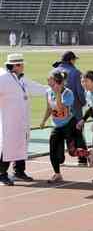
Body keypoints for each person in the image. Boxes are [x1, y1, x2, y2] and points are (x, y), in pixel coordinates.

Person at [0, 53, 48, 185]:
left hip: (21, 120)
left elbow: (35, 88)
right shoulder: (3, 78)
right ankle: (1, 173)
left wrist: (52, 90)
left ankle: (19, 172)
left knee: (20, 145)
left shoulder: (20, 78)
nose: (23, 67)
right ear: (16, 65)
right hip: (8, 120)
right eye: (21, 65)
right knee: (7, 147)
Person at [41, 69, 87, 183]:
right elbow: (49, 108)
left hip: (69, 125)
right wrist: (43, 121)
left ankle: (88, 154)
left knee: (72, 152)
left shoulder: (68, 93)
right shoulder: (48, 92)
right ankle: (57, 173)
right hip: (56, 125)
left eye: (52, 83)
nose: (50, 86)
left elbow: (61, 108)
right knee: (53, 150)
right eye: (49, 83)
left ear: (59, 83)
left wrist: (57, 93)